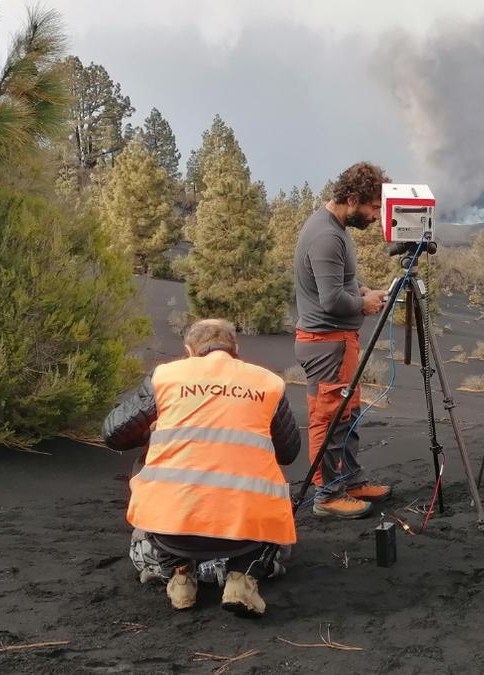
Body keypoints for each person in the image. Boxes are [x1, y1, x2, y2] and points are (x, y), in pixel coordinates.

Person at [102, 319, 302, 616]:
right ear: (236, 349)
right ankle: (241, 579)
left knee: (147, 463)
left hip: (172, 532)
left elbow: (113, 433)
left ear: (188, 351)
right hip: (244, 537)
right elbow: (289, 452)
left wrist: (153, 433)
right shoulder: (267, 383)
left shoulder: (166, 377)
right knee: (266, 476)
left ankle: (180, 576)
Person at [293, 161, 392, 519]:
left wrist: (365, 290)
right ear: (352, 198)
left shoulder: (336, 229)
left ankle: (348, 479)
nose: (375, 215)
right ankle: (328, 495)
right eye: (372, 207)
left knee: (345, 414)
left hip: (336, 341)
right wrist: (363, 304)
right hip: (326, 343)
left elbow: (341, 284)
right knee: (330, 417)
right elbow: (331, 299)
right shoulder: (326, 236)